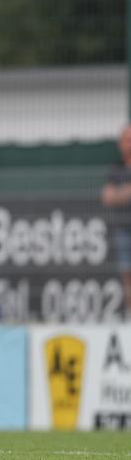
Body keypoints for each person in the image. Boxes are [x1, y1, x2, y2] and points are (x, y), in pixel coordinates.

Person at [101, 125, 131, 317]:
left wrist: (122, 192)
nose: (129, 144)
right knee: (127, 274)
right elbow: (108, 197)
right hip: (124, 229)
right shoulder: (116, 169)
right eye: (126, 140)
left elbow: (116, 195)